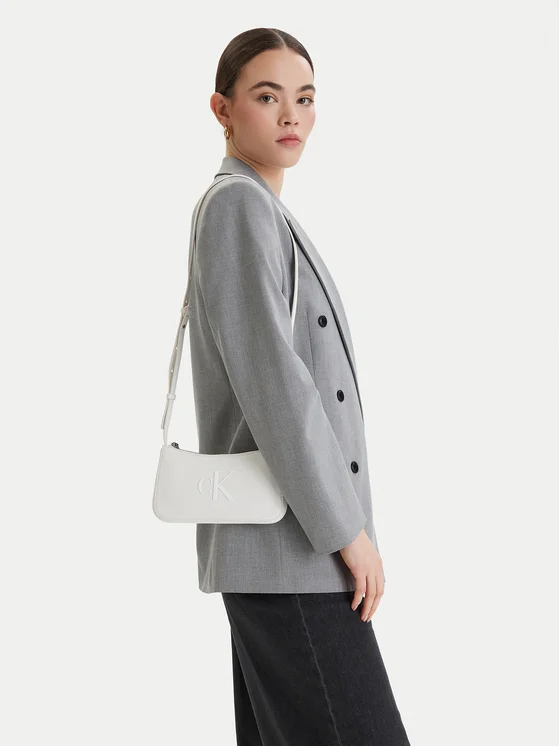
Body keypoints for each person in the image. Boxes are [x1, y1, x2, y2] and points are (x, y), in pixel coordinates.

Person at [188, 26, 411, 745]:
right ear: (222, 109)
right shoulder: (238, 206)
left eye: (305, 98)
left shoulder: (262, 209)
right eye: (267, 96)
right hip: (294, 552)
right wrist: (347, 532)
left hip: (289, 554)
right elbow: (276, 387)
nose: (291, 115)